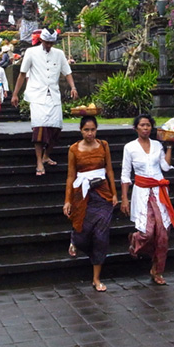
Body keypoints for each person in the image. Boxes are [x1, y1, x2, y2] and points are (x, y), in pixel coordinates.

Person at [11, 28, 78, 176]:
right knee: (39, 128)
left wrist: (73, 87)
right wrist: (15, 94)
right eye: (47, 42)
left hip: (53, 94)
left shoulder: (59, 54)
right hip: (36, 94)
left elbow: (67, 72)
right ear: (41, 40)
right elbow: (22, 74)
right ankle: (39, 162)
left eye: (51, 43)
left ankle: (46, 155)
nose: (49, 45)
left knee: (56, 127)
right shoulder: (31, 52)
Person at [63, 116, 119, 292]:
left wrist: (114, 193)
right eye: (86, 130)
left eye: (92, 129)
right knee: (82, 233)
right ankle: (75, 242)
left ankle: (96, 278)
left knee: (101, 237)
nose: (90, 133)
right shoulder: (74, 149)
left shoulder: (103, 145)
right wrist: (67, 200)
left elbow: (109, 169)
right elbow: (71, 176)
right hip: (82, 194)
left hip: (102, 194)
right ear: (81, 130)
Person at [120, 113, 174, 285]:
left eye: (148, 125)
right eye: (142, 125)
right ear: (136, 128)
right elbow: (125, 174)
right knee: (147, 232)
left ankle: (157, 270)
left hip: (159, 192)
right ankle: (134, 239)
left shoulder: (157, 145)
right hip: (141, 192)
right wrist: (124, 198)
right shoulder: (130, 147)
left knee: (163, 233)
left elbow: (164, 166)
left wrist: (170, 147)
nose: (145, 128)